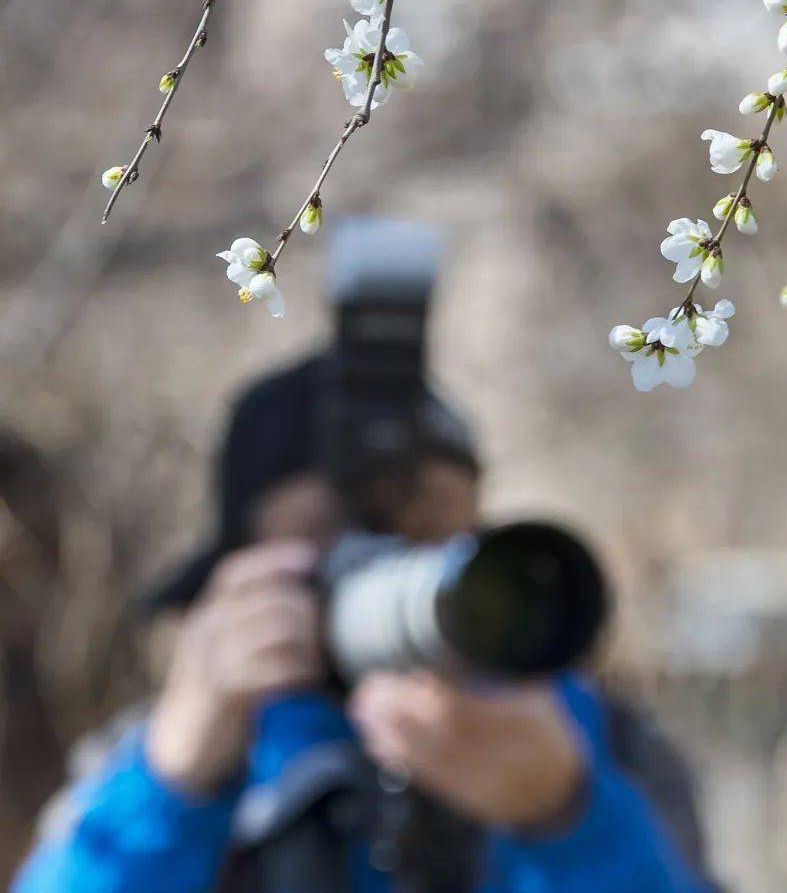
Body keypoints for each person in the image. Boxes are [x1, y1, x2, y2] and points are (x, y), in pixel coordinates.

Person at [13, 219, 721, 893]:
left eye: (438, 535)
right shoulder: (177, 757)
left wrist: (568, 821)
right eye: (336, 538)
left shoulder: (590, 744)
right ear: (238, 572)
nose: (398, 567)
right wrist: (174, 783)